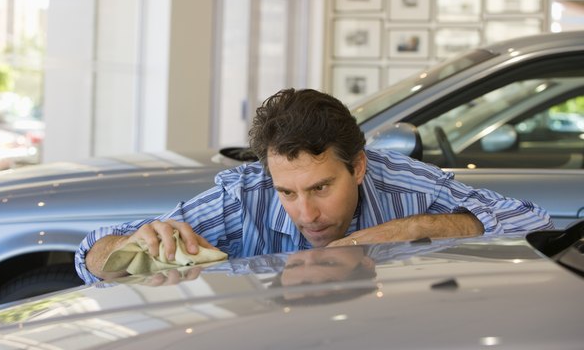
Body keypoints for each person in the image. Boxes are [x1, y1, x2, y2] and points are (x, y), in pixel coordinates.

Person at [76, 88, 553, 284]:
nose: (305, 213)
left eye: (321, 188)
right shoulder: (244, 196)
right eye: (288, 192)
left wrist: (405, 230)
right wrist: (126, 251)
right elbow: (89, 257)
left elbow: (534, 219)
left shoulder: (405, 183)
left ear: (359, 167)